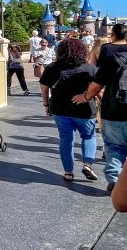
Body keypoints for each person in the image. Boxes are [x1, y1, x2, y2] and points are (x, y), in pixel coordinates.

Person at [72, 23, 127, 193]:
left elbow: (97, 84)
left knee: (114, 146)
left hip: (115, 108)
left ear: (113, 35)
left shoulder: (113, 57)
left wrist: (86, 97)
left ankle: (114, 180)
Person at [40, 39, 98, 182]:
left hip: (60, 109)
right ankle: (87, 164)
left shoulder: (52, 68)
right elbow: (97, 87)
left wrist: (46, 104)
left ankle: (68, 172)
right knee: (88, 136)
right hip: (85, 109)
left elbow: (44, 87)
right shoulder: (89, 68)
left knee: (66, 140)